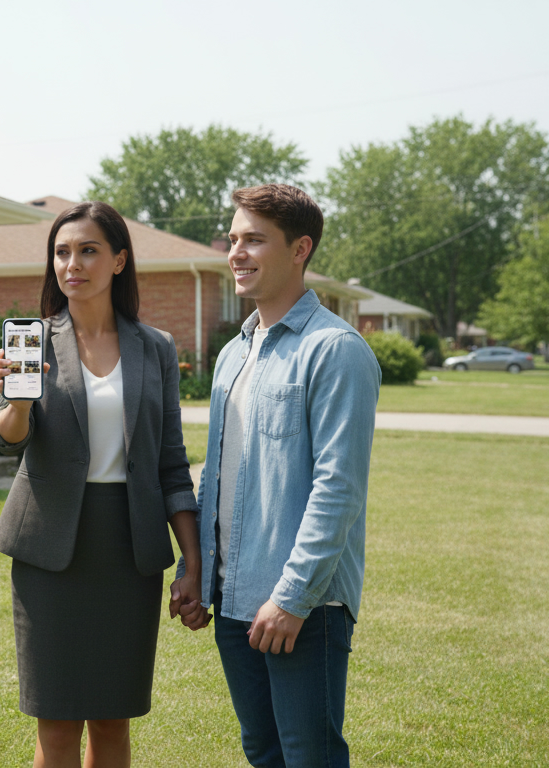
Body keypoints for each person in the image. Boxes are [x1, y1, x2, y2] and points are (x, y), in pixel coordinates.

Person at [0, 201, 209, 768]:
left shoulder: (154, 347)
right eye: (62, 252)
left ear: (119, 261)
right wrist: (14, 400)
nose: (72, 264)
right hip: (48, 551)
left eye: (88, 250)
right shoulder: (33, 339)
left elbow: (171, 463)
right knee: (56, 724)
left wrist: (192, 561)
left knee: (112, 720)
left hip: (127, 551)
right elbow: (9, 437)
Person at [187, 184, 380, 767]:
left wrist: (292, 599)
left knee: (309, 756)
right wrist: (196, 572)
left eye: (254, 240)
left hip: (302, 605)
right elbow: (215, 477)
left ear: (300, 249)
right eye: (234, 238)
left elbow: (337, 490)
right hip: (234, 597)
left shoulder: (335, 350)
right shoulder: (233, 353)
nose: (236, 253)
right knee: (263, 752)